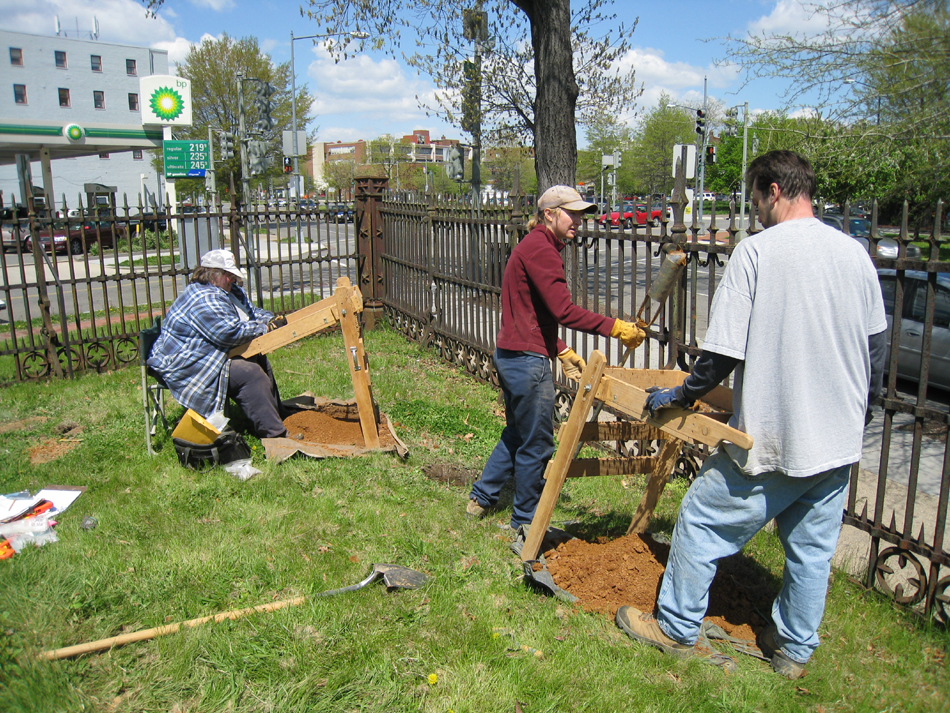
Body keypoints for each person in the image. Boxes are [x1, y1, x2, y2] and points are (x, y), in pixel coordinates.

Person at [615, 151, 887, 678]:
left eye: (757, 198)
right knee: (810, 550)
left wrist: (681, 392)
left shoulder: (757, 253)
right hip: (837, 440)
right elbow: (876, 351)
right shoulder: (855, 254)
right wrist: (861, 413)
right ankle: (792, 650)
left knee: (700, 519)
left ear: (773, 190)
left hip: (775, 434)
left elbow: (722, 353)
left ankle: (674, 627)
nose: (756, 209)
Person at [466, 185, 646, 530]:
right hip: (526, 363)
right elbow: (564, 310)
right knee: (537, 443)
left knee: (518, 434)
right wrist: (616, 327)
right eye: (572, 213)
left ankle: (482, 498)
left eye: (581, 213)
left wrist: (560, 349)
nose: (579, 220)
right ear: (550, 214)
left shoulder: (534, 246)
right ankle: (525, 523)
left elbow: (532, 312)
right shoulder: (542, 251)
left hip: (513, 355)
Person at [148, 249, 289, 438]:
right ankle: (275, 435)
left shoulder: (229, 291)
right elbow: (228, 333)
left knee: (257, 356)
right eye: (228, 275)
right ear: (212, 274)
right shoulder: (203, 297)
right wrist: (266, 328)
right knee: (249, 373)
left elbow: (251, 313)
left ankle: (277, 416)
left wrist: (272, 318)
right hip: (187, 362)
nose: (233, 279)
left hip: (208, 352)